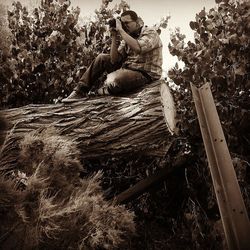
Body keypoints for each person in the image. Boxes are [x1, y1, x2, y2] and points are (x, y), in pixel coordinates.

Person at [62, 10, 163, 103]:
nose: (124, 26)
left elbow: (138, 48)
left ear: (137, 22)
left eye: (126, 23)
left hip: (146, 74)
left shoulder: (150, 32)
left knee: (114, 79)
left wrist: (121, 30)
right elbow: (114, 60)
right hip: (129, 70)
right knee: (101, 58)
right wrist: (114, 36)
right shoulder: (128, 37)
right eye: (122, 24)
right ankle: (79, 91)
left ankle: (103, 91)